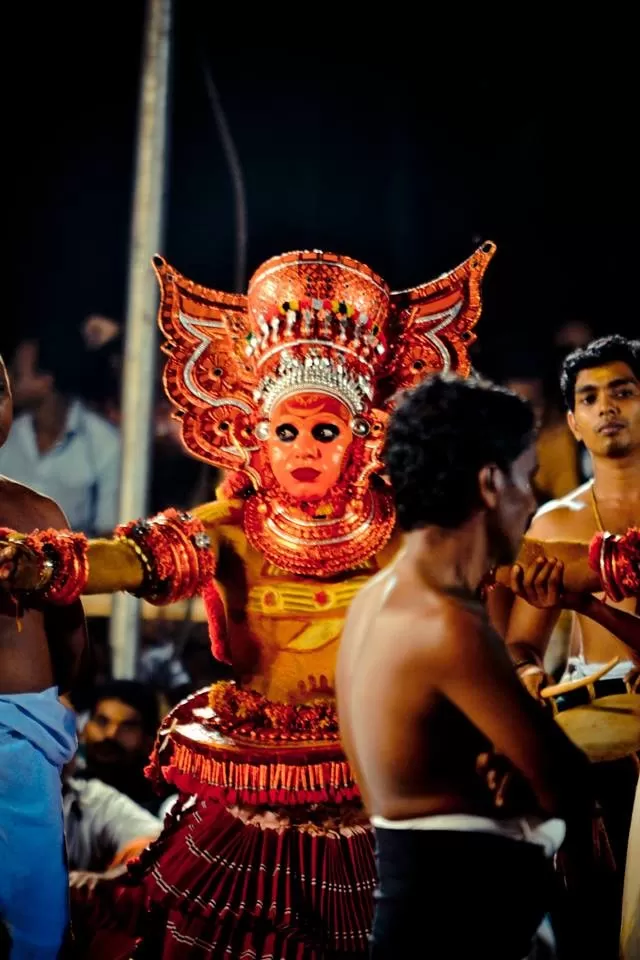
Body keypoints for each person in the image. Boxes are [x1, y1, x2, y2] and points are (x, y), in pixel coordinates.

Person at [0, 249, 635, 958]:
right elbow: (138, 558)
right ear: (256, 434)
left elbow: (536, 563)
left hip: (382, 790)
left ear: (362, 434)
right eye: (287, 431)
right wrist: (53, 561)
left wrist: (615, 565)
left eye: (324, 431)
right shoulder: (230, 527)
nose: (304, 448)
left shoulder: (408, 529)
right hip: (253, 797)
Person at [337, 374, 596, 959]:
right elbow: (563, 780)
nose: (531, 500)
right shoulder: (446, 623)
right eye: (526, 478)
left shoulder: (379, 597)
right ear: (489, 482)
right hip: (455, 933)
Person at [503, 335, 640, 956]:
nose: (607, 406)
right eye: (590, 398)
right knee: (594, 924)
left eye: (623, 391)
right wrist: (533, 685)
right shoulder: (554, 524)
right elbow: (521, 648)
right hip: (597, 748)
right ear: (573, 424)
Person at [0, 355, 88, 958]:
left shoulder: (39, 515)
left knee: (34, 932)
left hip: (21, 749)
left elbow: (71, 643)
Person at [0, 334, 121, 535]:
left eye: (17, 374)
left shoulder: (105, 443)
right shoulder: (12, 433)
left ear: (46, 381)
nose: (10, 379)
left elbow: (108, 533)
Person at [77, 681, 165, 814]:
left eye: (127, 726)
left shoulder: (165, 808)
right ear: (85, 729)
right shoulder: (65, 792)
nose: (110, 734)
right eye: (102, 722)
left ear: (149, 740)